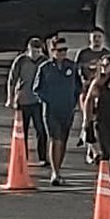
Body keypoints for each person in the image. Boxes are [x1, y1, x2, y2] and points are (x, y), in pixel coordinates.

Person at [33, 37, 83, 185]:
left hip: (67, 110)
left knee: (64, 140)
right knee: (56, 140)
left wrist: (73, 102)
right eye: (60, 50)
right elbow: (37, 89)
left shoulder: (72, 67)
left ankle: (58, 170)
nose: (63, 53)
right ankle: (55, 172)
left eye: (65, 50)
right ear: (52, 51)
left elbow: (78, 87)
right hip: (51, 110)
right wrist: (48, 100)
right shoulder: (45, 68)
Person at [6, 37, 49, 167]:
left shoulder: (45, 62)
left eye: (38, 51)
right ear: (28, 49)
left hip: (39, 101)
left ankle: (42, 157)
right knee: (22, 131)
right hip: (23, 100)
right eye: (33, 51)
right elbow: (12, 80)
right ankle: (22, 156)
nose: (35, 54)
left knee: (41, 130)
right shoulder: (21, 61)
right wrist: (10, 98)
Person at [75, 29, 110, 162]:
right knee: (87, 120)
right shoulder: (83, 54)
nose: (97, 39)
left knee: (98, 123)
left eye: (99, 37)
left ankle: (91, 149)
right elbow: (77, 71)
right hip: (86, 92)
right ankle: (94, 151)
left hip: (101, 94)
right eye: (94, 37)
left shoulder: (107, 54)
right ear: (90, 39)